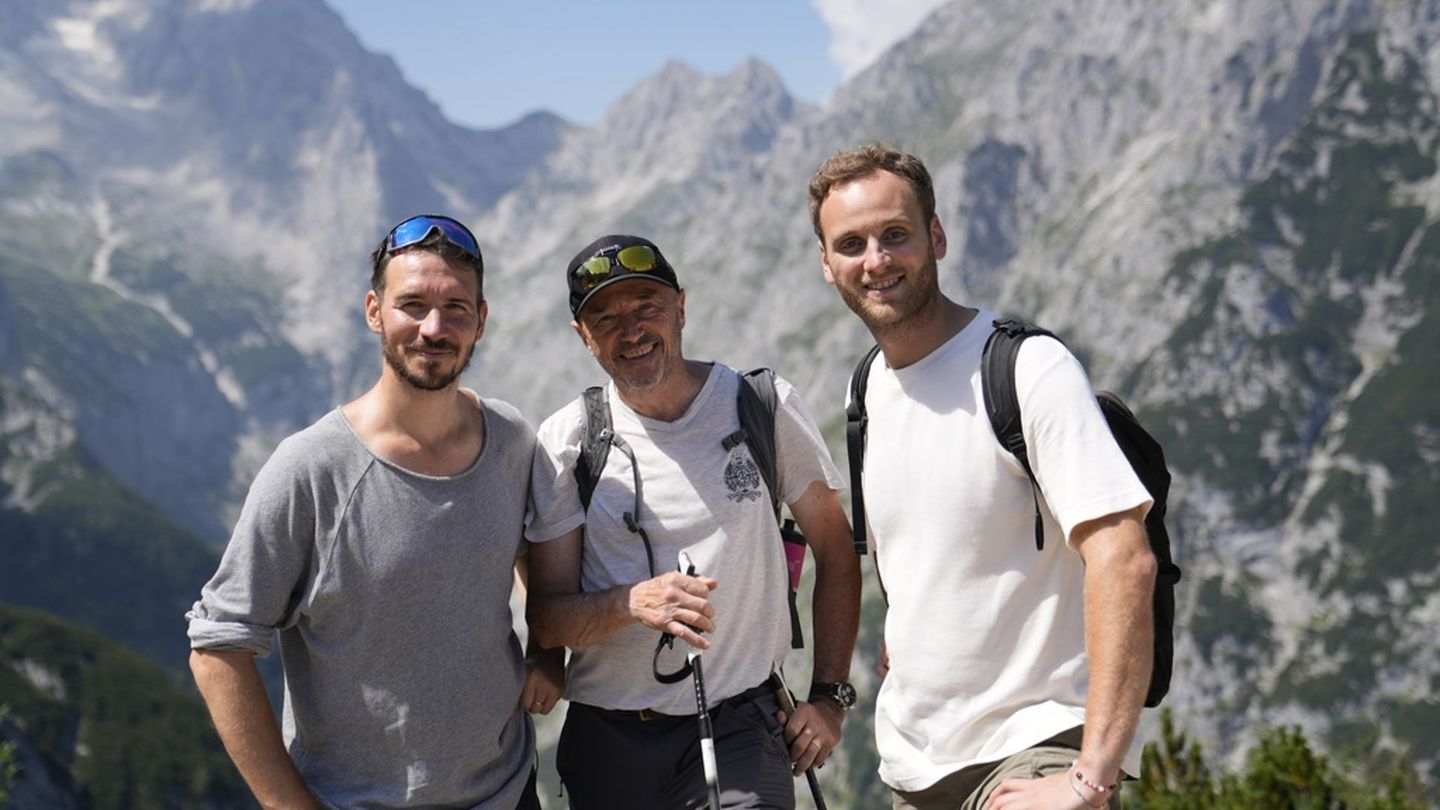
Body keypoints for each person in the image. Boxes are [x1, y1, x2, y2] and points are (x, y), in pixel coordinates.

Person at [809, 143, 1158, 810]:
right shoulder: (867, 392)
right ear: (828, 265)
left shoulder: (1028, 369)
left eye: (896, 234)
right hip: (914, 769)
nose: (876, 260)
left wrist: (1090, 778)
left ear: (936, 236)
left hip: (1033, 754)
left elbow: (1126, 559)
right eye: (851, 243)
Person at [186, 214, 559, 810]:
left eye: (457, 308)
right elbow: (215, 649)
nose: (434, 328)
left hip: (508, 792)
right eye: (412, 304)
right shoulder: (309, 469)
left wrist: (548, 648)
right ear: (373, 311)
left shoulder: (511, 438)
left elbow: (534, 550)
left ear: (481, 321)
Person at [525, 234, 862, 809]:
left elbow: (835, 546)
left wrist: (830, 696)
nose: (630, 331)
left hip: (743, 720)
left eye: (647, 308)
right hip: (608, 739)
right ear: (583, 337)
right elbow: (547, 618)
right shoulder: (567, 442)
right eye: (605, 318)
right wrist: (630, 604)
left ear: (681, 307)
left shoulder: (762, 407)